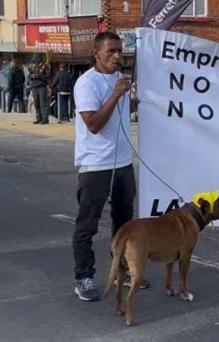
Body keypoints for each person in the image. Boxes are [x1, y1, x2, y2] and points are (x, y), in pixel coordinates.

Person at [72, 31, 148, 302]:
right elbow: (93, 124)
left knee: (125, 224)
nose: (117, 56)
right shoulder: (86, 84)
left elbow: (124, 115)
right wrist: (117, 94)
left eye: (119, 51)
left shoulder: (122, 80)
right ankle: (84, 277)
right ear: (97, 53)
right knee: (87, 225)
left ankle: (123, 270)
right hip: (96, 165)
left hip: (123, 162)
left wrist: (133, 97)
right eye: (111, 51)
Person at [29, 58, 51, 124]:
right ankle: (39, 118)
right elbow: (29, 75)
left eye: (36, 61)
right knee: (36, 103)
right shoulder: (33, 67)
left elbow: (47, 76)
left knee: (43, 104)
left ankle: (45, 119)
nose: (35, 63)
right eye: (34, 61)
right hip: (34, 87)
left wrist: (40, 76)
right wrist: (32, 76)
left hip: (42, 87)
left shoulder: (45, 66)